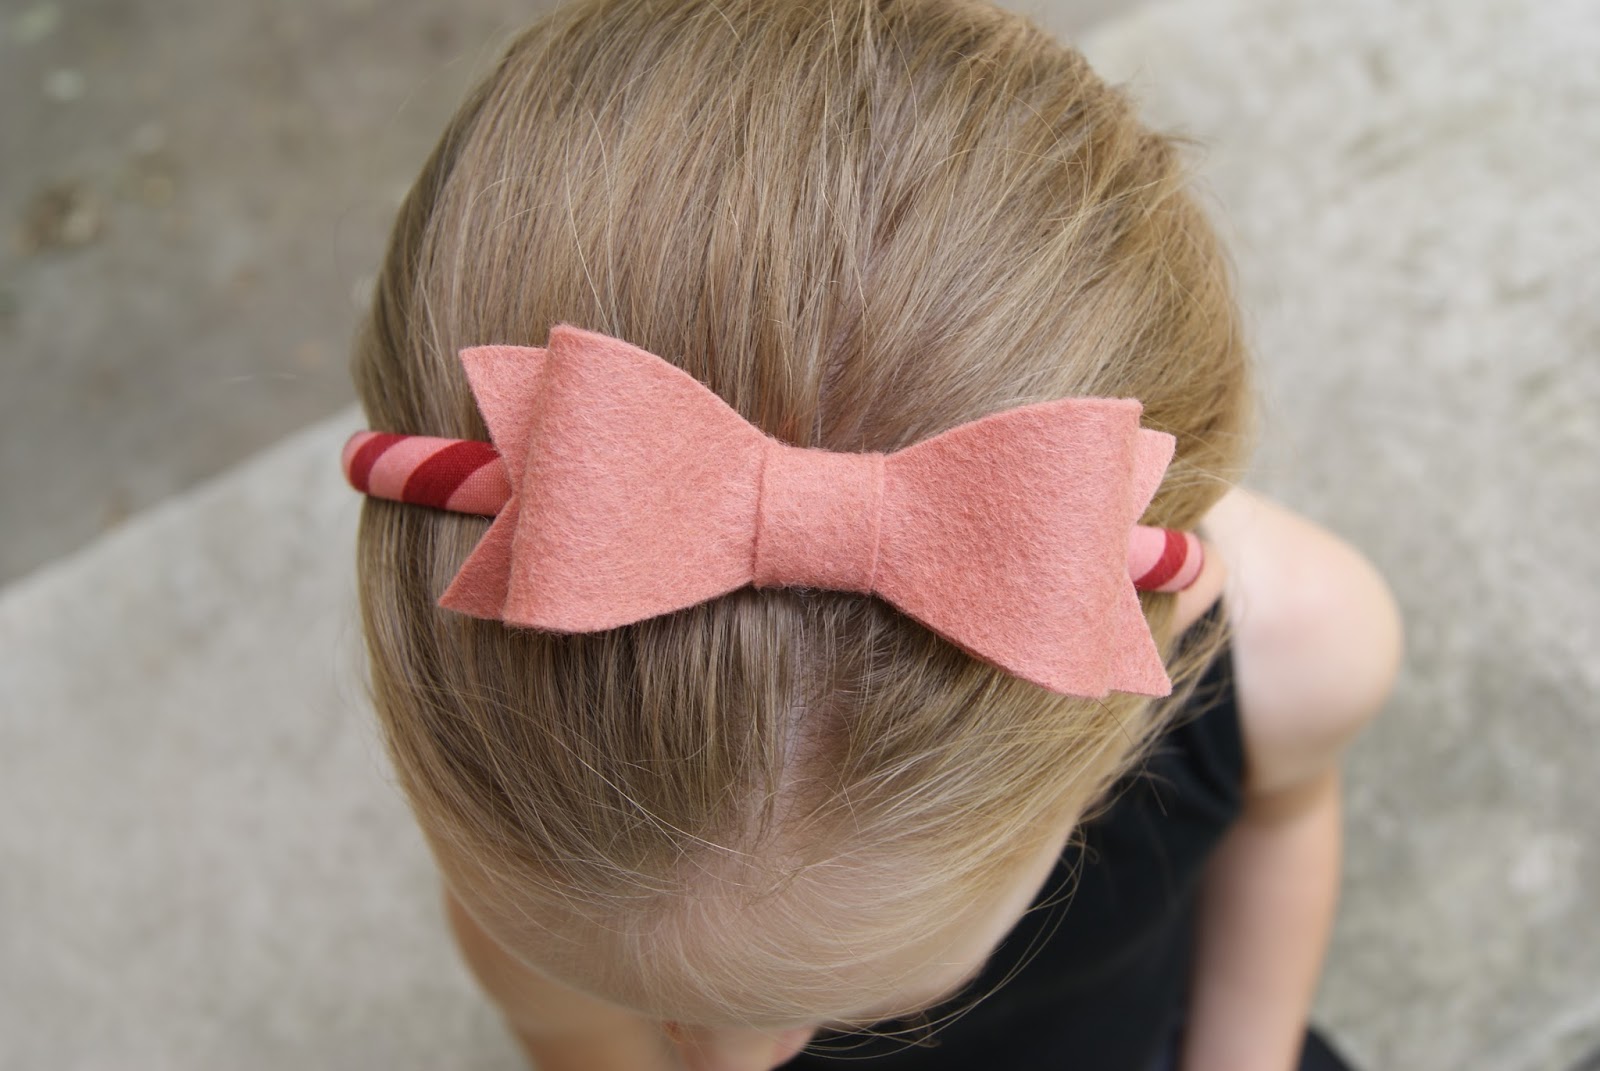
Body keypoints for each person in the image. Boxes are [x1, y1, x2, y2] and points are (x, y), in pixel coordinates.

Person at [342, 1, 1404, 1069]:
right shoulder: (534, 849)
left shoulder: (1306, 656)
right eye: (641, 999)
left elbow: (1275, 827)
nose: (735, 1064)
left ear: (1130, 710)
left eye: (863, 1002)